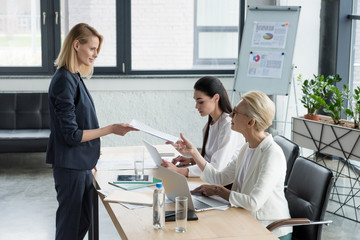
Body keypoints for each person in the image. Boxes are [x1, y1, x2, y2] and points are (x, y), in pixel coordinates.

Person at [46, 23, 138, 240]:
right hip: (70, 167)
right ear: (77, 45)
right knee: (70, 228)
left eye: (98, 50)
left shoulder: (75, 77)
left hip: (80, 164)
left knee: (84, 220)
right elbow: (72, 134)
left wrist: (89, 156)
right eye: (92, 49)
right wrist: (111, 129)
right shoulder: (63, 81)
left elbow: (80, 124)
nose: (96, 54)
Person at [171, 91, 292, 239]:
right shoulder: (247, 147)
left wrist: (219, 191)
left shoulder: (272, 154)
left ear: (250, 122)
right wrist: (194, 153)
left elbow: (254, 202)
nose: (229, 116)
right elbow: (219, 178)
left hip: (268, 230)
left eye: (235, 113)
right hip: (243, 219)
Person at [161, 76, 245, 177]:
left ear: (216, 98)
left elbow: (217, 167)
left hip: (226, 184)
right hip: (213, 180)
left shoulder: (229, 126)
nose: (196, 106)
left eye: (201, 102)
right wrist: (192, 160)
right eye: (196, 101)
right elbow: (209, 160)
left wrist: (180, 171)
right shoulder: (208, 125)